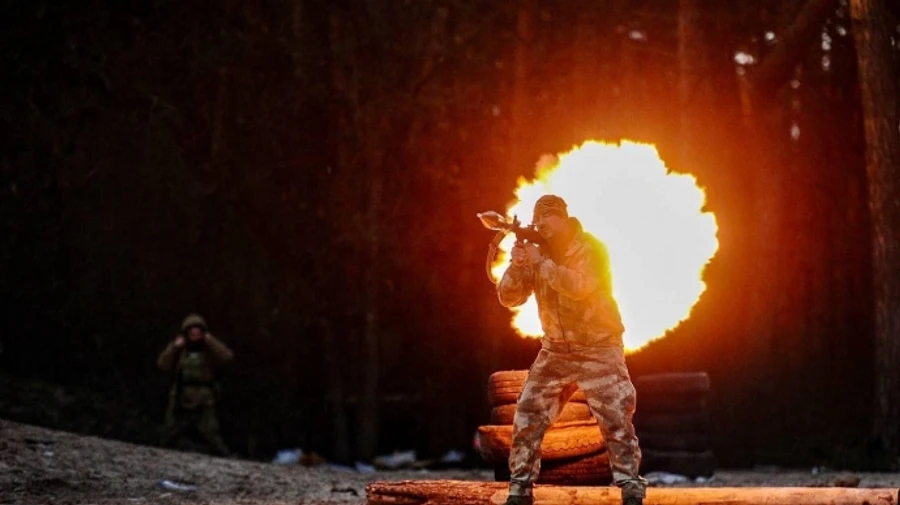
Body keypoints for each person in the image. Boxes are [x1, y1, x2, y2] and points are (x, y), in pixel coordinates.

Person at [496, 195, 647, 505]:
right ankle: (520, 490)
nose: (542, 228)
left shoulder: (590, 248)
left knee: (616, 419)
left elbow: (579, 287)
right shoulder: (539, 254)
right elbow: (509, 297)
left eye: (547, 221)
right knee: (528, 415)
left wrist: (540, 262)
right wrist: (518, 264)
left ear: (563, 219)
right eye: (538, 222)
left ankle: (631, 488)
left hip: (599, 350)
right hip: (555, 351)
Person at [157, 313, 234, 457]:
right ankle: (160, 453)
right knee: (170, 429)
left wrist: (211, 341)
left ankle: (224, 456)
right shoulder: (181, 350)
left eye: (198, 332)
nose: (195, 335)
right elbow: (163, 364)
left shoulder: (208, 350)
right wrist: (174, 347)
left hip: (204, 396)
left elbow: (227, 357)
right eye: (191, 333)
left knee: (211, 431)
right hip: (182, 394)